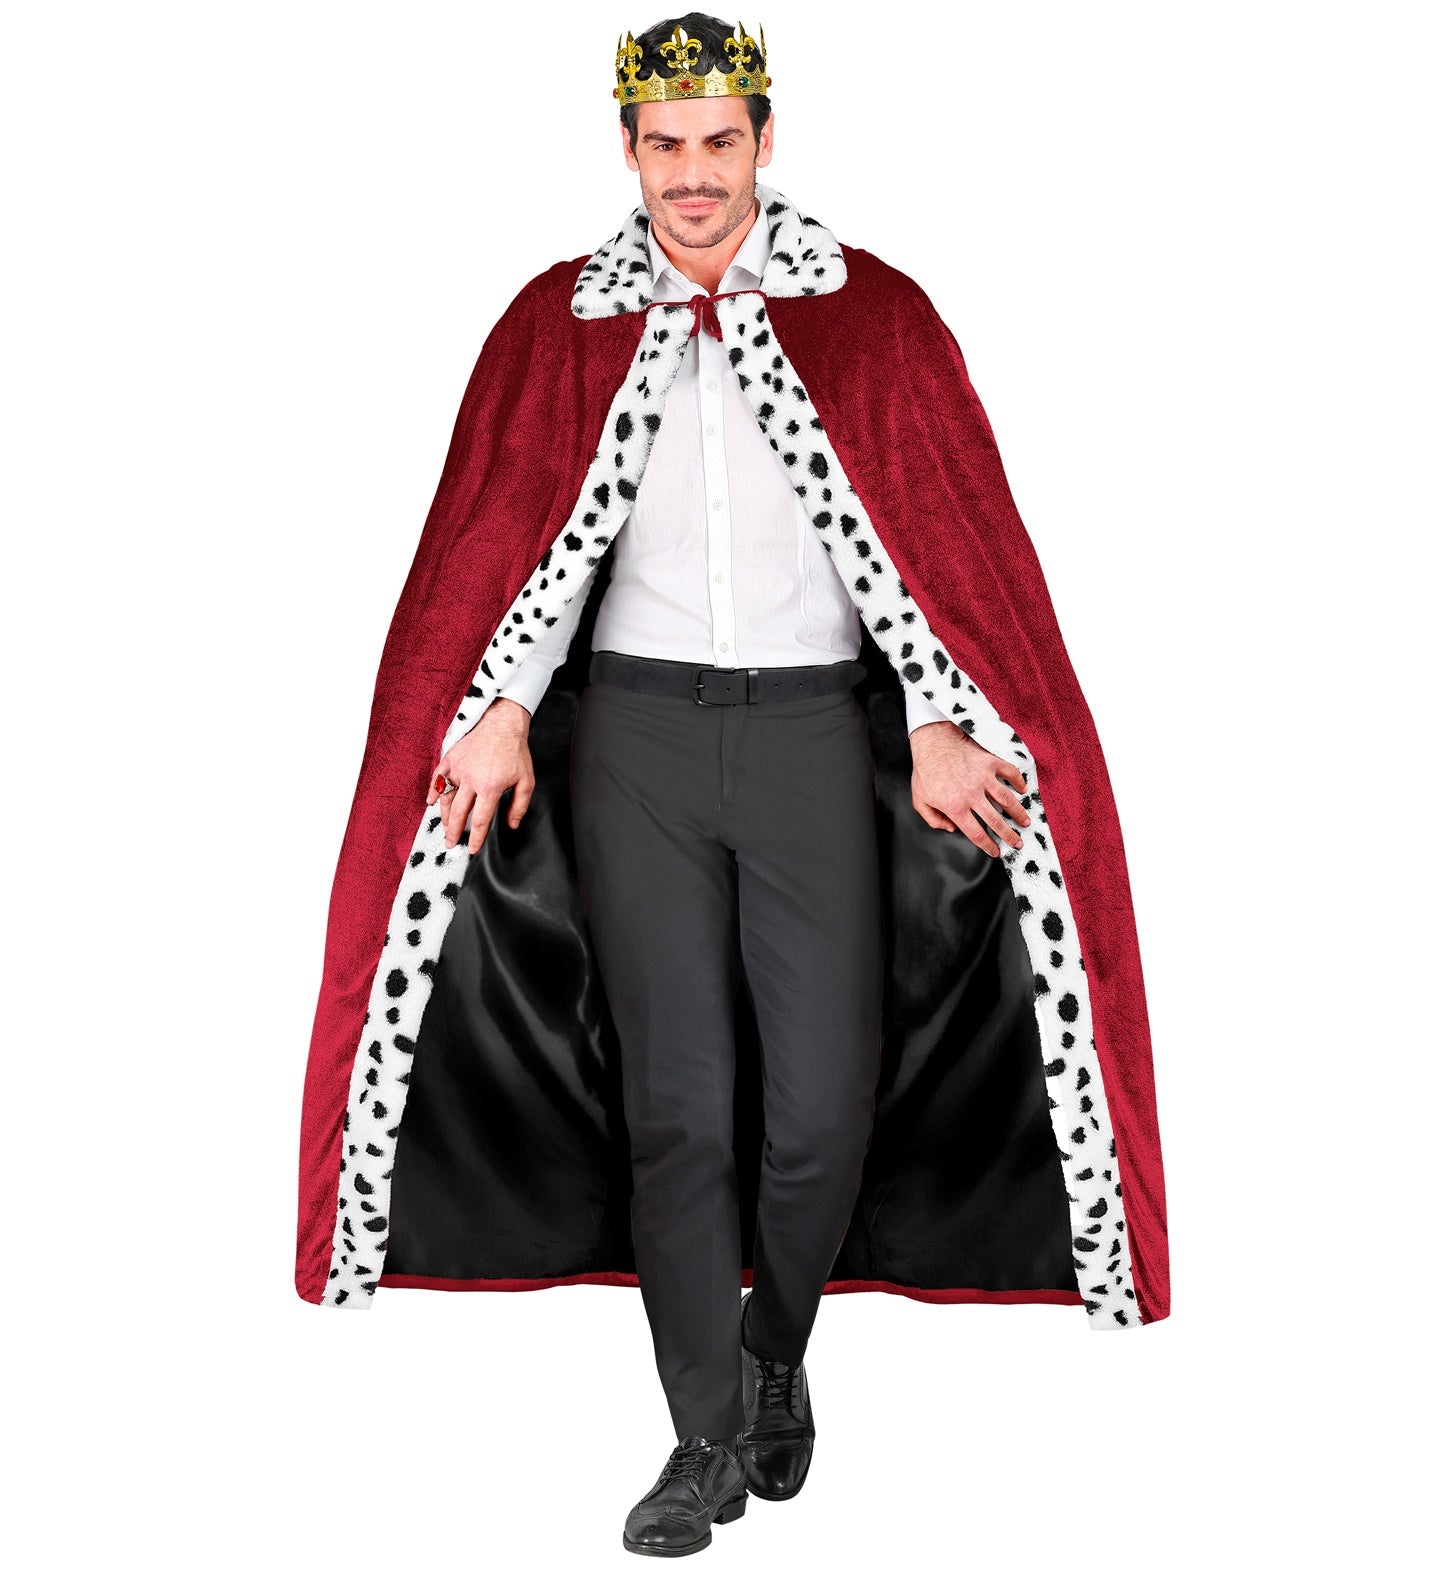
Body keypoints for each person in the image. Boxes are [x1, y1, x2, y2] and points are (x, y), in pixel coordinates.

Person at [294, 12, 1170, 1562]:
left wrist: (942, 715)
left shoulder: (873, 318)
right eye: (663, 146)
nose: (691, 175)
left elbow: (934, 545)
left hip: (814, 738)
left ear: (766, 141)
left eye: (717, 143)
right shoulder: (554, 324)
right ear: (626, 151)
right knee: (678, 1109)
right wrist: (498, 708)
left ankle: (776, 1353)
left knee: (823, 1105)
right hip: (632, 742)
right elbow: (518, 537)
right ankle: (699, 1437)